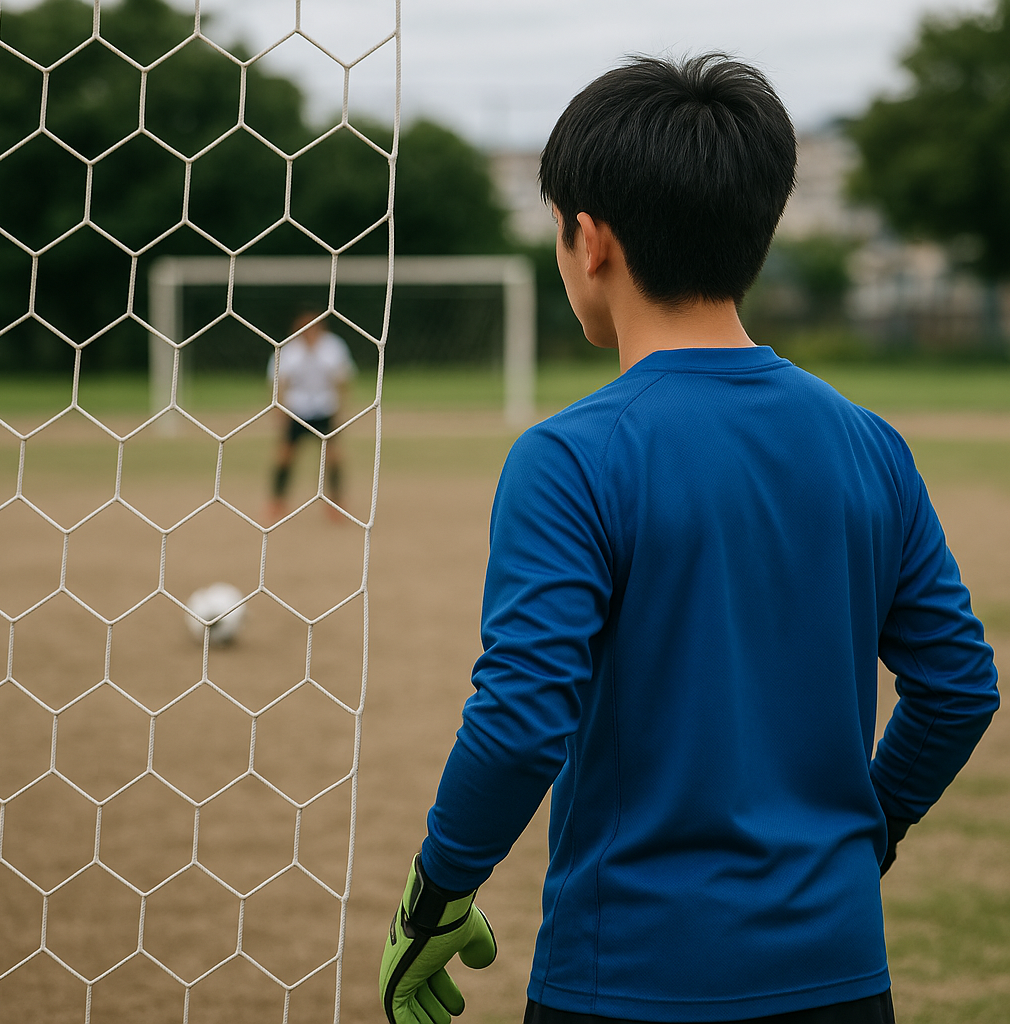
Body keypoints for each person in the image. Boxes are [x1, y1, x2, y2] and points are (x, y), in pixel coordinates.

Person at [379, 55, 999, 1024]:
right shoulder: (868, 444)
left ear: (589, 240)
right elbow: (957, 686)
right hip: (840, 974)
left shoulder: (570, 456)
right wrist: (860, 838)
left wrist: (436, 894)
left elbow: (519, 720)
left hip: (630, 977)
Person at [267, 310, 355, 523]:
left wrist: (341, 409)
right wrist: (280, 411)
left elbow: (343, 379)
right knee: (285, 455)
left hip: (325, 409)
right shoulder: (288, 351)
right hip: (296, 410)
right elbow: (280, 383)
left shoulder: (334, 348)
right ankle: (276, 502)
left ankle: (336, 504)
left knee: (333, 456)